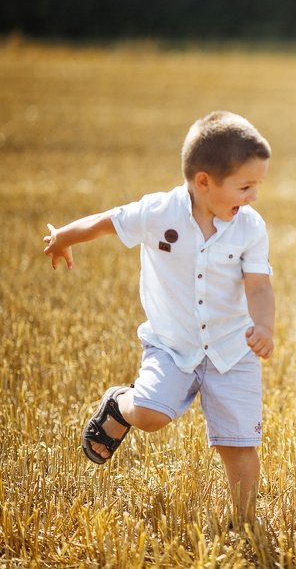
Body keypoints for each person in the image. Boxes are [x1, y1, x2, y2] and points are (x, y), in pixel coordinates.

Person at [42, 111, 275, 525]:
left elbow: (258, 285)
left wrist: (264, 326)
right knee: (150, 416)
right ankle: (119, 404)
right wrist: (63, 237)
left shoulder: (250, 227)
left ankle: (245, 523)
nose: (254, 196)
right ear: (204, 181)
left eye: (257, 185)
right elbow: (106, 222)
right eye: (245, 186)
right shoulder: (158, 212)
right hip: (171, 344)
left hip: (231, 349)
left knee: (239, 445)